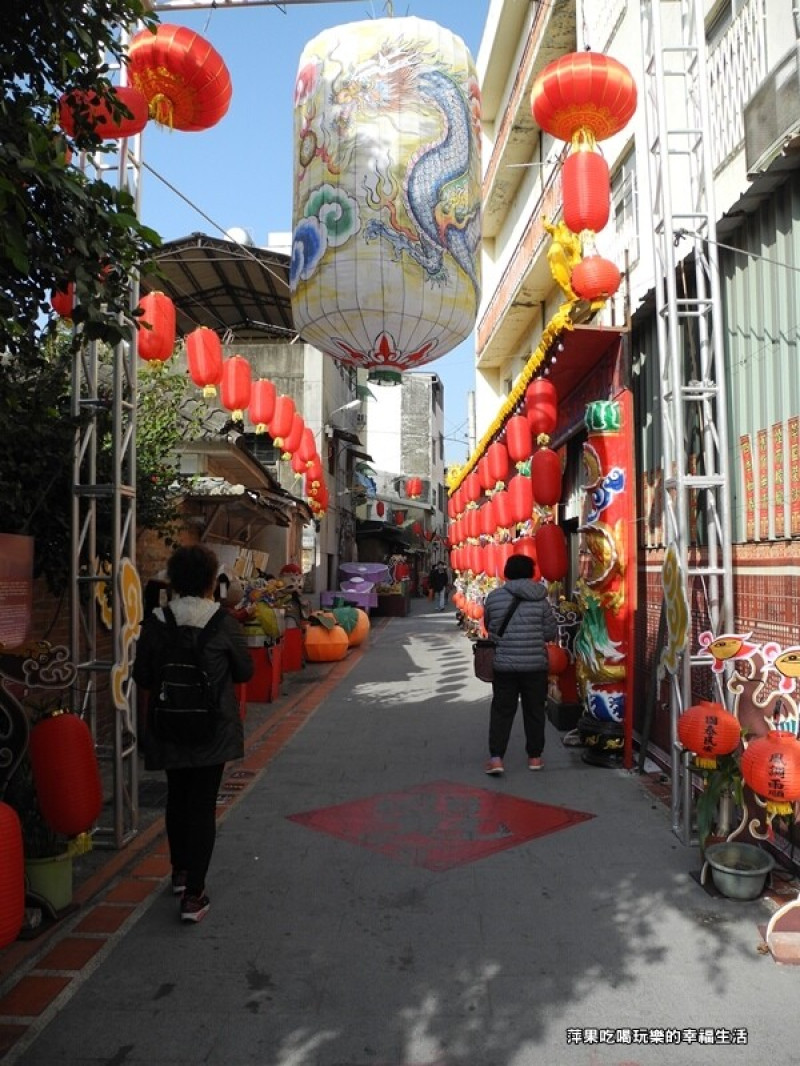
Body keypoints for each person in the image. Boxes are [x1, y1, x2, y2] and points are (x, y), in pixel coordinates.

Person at [133, 544, 253, 923]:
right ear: (208, 582)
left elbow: (143, 677)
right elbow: (246, 671)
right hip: (211, 731)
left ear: (175, 581)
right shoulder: (224, 623)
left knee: (177, 799)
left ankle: (180, 874)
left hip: (169, 726)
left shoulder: (156, 622)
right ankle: (195, 896)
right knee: (202, 806)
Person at [481, 553, 558, 776]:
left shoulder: (494, 597)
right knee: (534, 710)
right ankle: (534, 757)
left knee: (502, 711)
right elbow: (550, 633)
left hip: (504, 665)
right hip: (535, 665)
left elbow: (490, 627)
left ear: (507, 572)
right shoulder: (541, 600)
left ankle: (496, 759)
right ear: (531, 572)